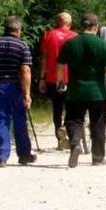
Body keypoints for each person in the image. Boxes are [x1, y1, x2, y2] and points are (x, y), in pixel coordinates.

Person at [58, 13, 106, 168]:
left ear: (81, 26)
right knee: (98, 124)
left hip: (75, 91)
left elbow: (60, 65)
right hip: (97, 92)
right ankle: (98, 158)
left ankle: (75, 144)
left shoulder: (70, 44)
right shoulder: (101, 44)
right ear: (96, 26)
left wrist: (60, 81)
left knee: (73, 120)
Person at [0, 15, 36, 167]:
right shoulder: (22, 46)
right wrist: (27, 94)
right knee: (19, 121)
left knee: (1, 120)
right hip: (16, 87)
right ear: (18, 29)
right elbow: (25, 70)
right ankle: (24, 155)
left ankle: (2, 157)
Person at [38, 12, 78, 150]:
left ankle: (59, 137)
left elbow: (44, 58)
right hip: (71, 78)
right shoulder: (75, 36)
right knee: (71, 108)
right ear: (69, 23)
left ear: (57, 22)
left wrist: (42, 78)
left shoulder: (48, 35)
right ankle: (67, 128)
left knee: (57, 108)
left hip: (52, 78)